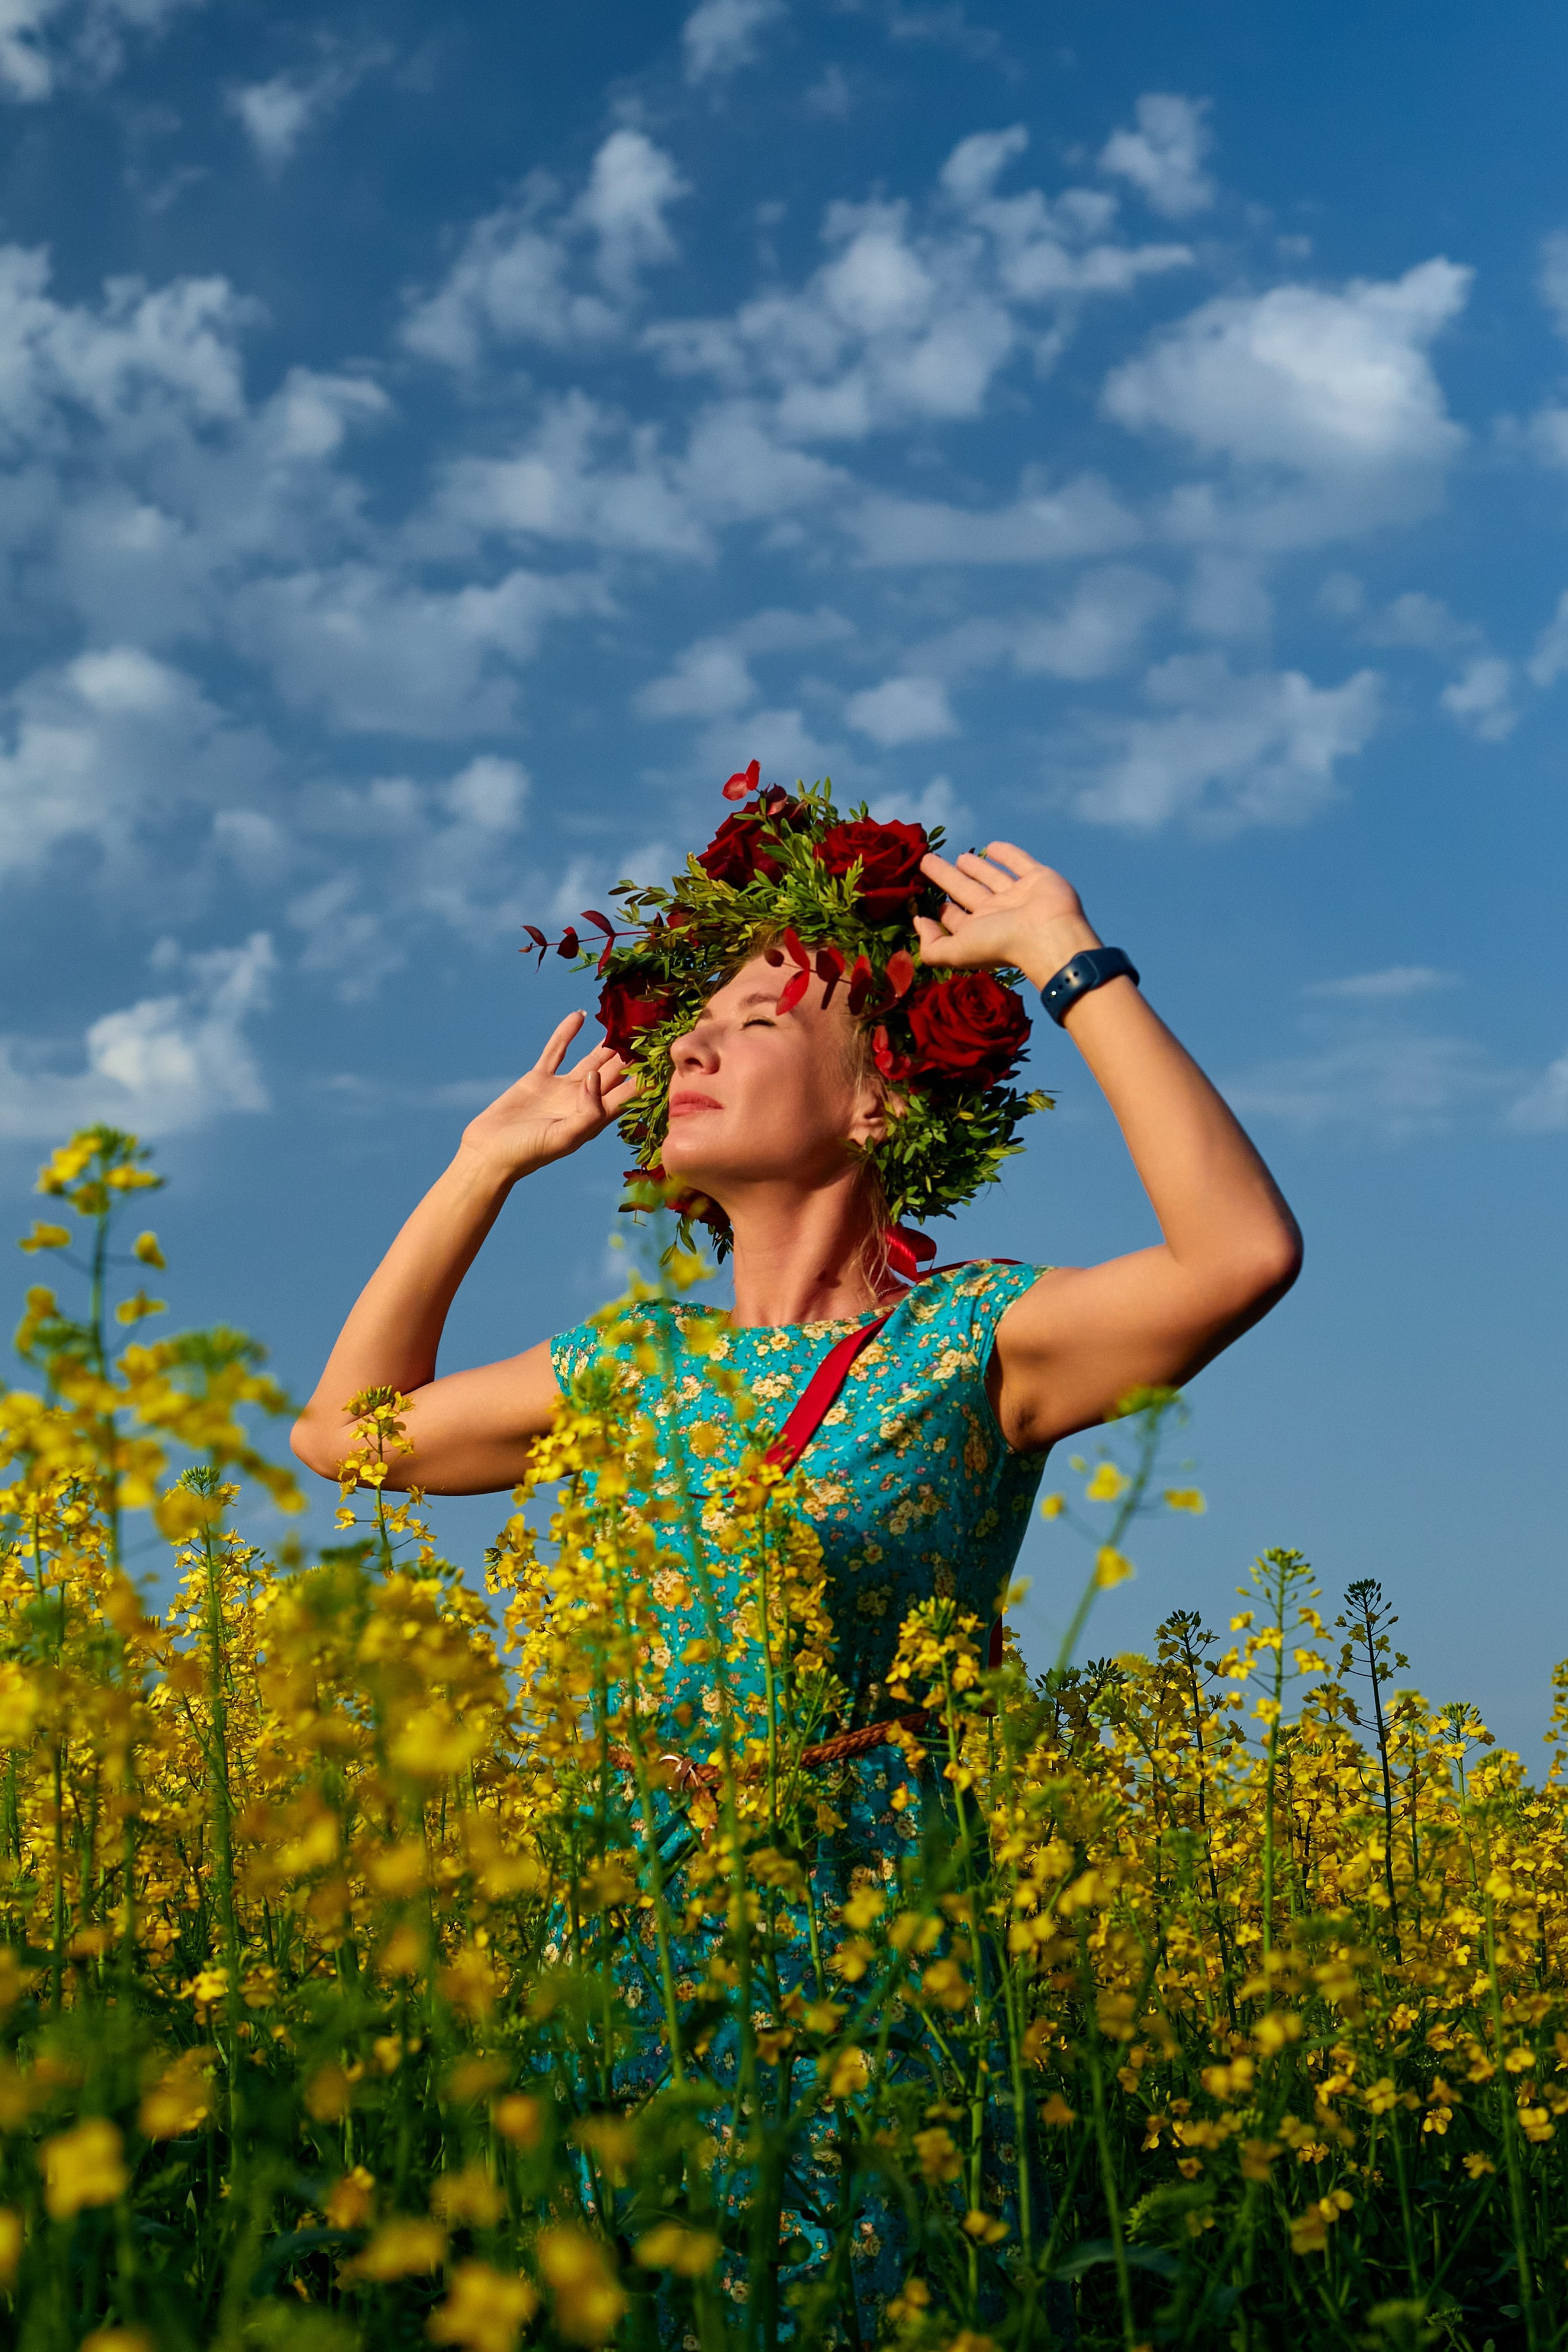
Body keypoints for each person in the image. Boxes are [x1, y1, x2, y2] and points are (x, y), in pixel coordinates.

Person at [291, 784, 1301, 2337]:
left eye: (754, 1018)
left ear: (879, 1103)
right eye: (692, 1020)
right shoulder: (628, 1361)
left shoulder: (974, 1342)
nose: (689, 1044)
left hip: (873, 1942)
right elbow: (349, 1438)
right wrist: (482, 1166)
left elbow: (1237, 1258)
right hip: (620, 1939)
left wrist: (1067, 962)